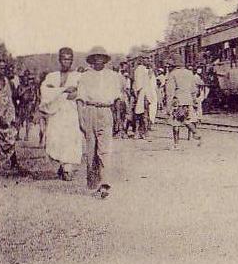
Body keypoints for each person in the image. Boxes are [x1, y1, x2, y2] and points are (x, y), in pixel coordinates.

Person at [76, 47, 122, 198]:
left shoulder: (113, 76)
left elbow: (117, 99)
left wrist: (118, 118)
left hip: (106, 111)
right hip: (90, 111)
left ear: (105, 59)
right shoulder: (85, 76)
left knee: (104, 150)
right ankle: (93, 182)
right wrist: (81, 118)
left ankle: (104, 184)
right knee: (91, 150)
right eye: (95, 57)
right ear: (91, 59)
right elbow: (80, 99)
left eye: (101, 57)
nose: (98, 60)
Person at [39, 47, 83, 180]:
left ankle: (67, 169)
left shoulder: (78, 76)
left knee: (70, 139)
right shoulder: (52, 76)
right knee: (56, 139)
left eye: (69, 59)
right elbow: (46, 92)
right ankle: (62, 165)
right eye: (64, 59)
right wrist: (64, 90)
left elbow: (78, 93)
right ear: (59, 60)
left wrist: (58, 91)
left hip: (71, 113)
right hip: (56, 113)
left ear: (72, 60)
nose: (66, 62)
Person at [0, 58, 23, 175]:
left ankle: (13, 161)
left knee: (11, 136)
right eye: (1, 67)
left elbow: (15, 97)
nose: (3, 70)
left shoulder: (8, 81)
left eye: (4, 67)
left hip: (9, 112)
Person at [166, 55, 201, 146]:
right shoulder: (189, 73)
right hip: (188, 100)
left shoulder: (172, 74)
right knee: (187, 120)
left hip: (177, 100)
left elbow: (170, 91)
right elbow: (194, 89)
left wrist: (168, 106)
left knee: (176, 123)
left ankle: (176, 144)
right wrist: (194, 100)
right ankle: (195, 133)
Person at [132, 57, 153, 139]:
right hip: (142, 94)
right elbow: (138, 83)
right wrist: (138, 95)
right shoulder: (140, 69)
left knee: (143, 114)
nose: (148, 61)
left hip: (145, 93)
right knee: (141, 114)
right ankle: (140, 132)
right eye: (147, 59)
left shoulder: (145, 69)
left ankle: (141, 132)